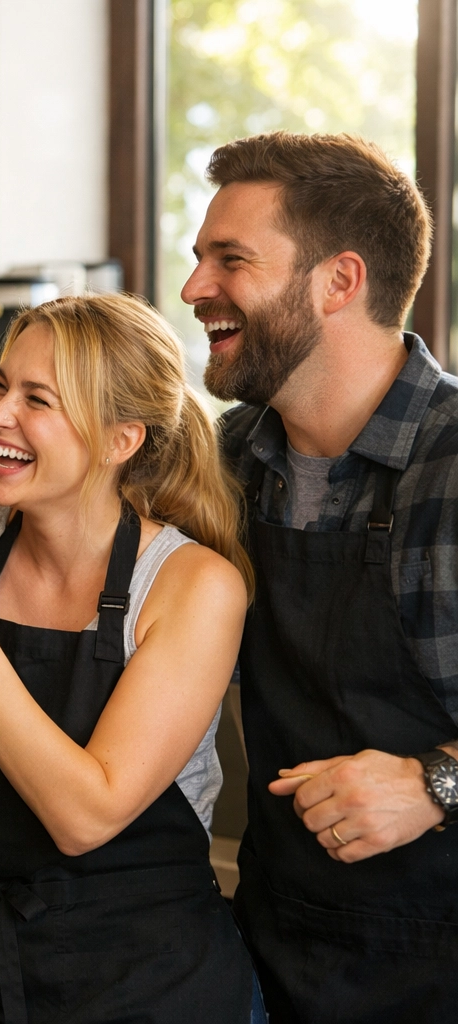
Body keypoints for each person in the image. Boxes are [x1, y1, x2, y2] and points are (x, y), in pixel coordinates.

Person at [0, 293, 257, 1023]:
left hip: (145, 985)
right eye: (1, 384)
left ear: (119, 440)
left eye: (37, 399)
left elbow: (87, 814)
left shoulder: (193, 585)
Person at [184, 132, 458, 1020]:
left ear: (339, 282)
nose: (194, 290)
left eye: (231, 260)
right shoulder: (230, 461)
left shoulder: (451, 463)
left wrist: (436, 782)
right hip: (275, 947)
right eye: (198, 261)